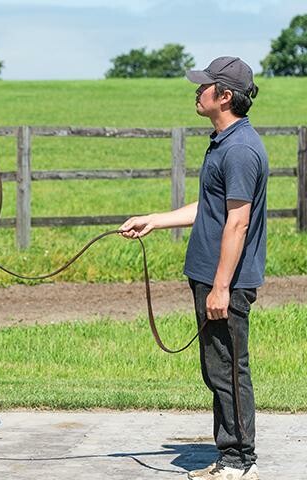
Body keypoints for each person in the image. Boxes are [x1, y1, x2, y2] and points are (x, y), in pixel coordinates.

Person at [119, 57, 267, 480]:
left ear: (224, 95)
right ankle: (229, 456)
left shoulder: (239, 149)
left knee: (229, 368)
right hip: (210, 277)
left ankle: (240, 461)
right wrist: (154, 220)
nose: (196, 91)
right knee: (217, 368)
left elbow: (237, 222)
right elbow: (213, 208)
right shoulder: (225, 141)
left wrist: (221, 287)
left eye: (204, 86)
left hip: (228, 283)